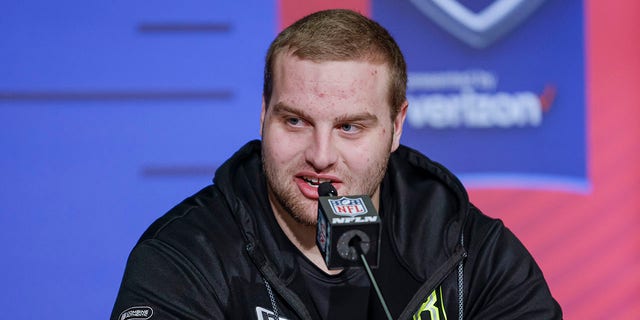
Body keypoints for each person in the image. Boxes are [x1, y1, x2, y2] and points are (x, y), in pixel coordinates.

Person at [111, 9, 562, 320]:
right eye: (295, 121)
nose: (321, 155)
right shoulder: (184, 256)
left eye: (349, 127)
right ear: (263, 112)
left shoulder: (471, 254)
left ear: (396, 126)